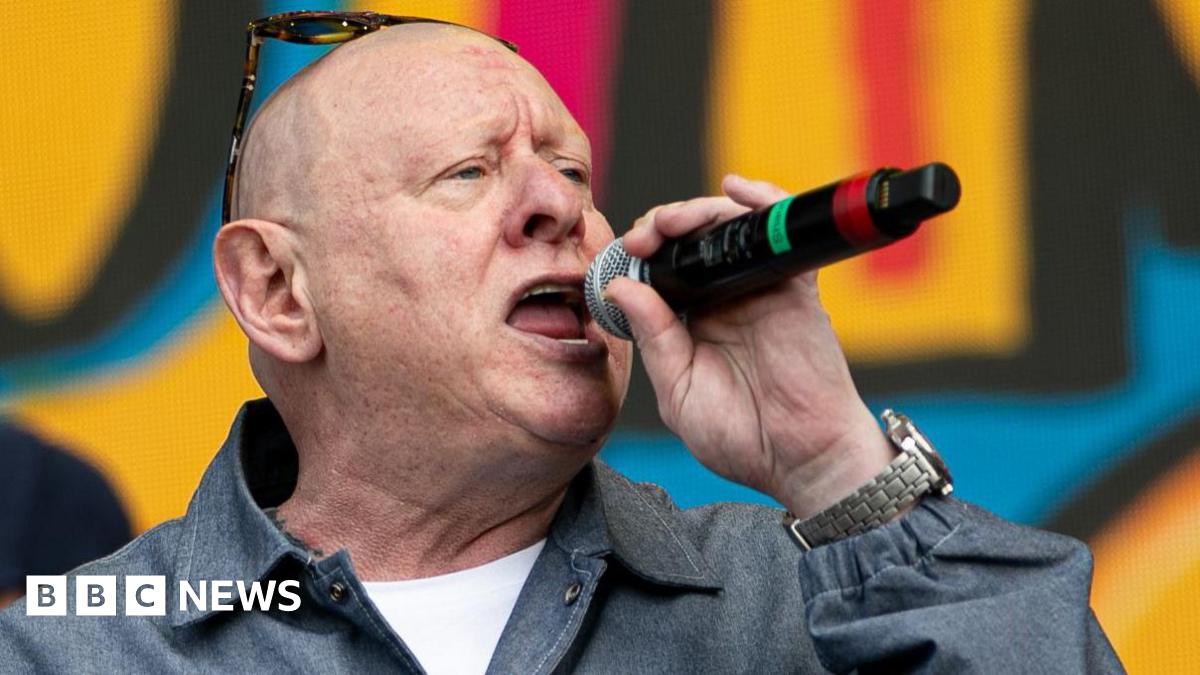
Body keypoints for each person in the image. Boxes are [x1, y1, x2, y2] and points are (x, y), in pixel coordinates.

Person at [0, 18, 1121, 673]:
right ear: (278, 291)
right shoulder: (80, 646)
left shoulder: (789, 602)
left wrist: (838, 468)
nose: (560, 211)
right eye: (469, 172)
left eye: (574, 173)